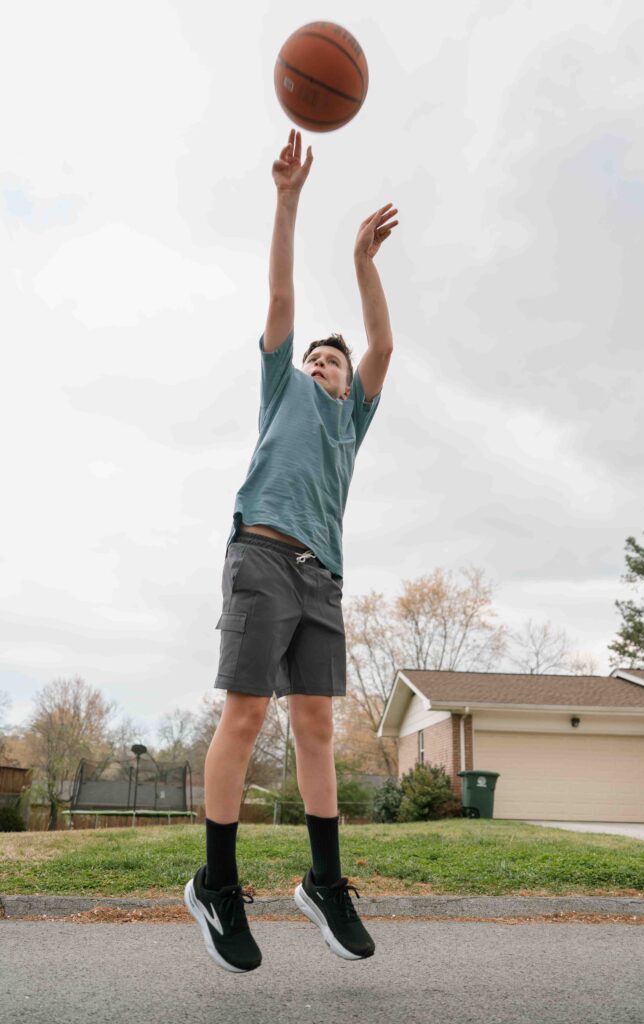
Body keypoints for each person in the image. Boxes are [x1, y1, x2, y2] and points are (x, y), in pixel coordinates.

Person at [184, 128, 398, 972]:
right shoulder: (284, 393)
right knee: (245, 714)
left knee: (315, 724)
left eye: (330, 362)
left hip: (323, 579)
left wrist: (363, 261)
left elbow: (382, 347)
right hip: (261, 557)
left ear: (347, 384)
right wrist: (287, 201)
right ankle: (218, 883)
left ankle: (323, 882)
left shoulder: (352, 418)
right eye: (312, 355)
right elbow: (278, 300)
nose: (320, 362)